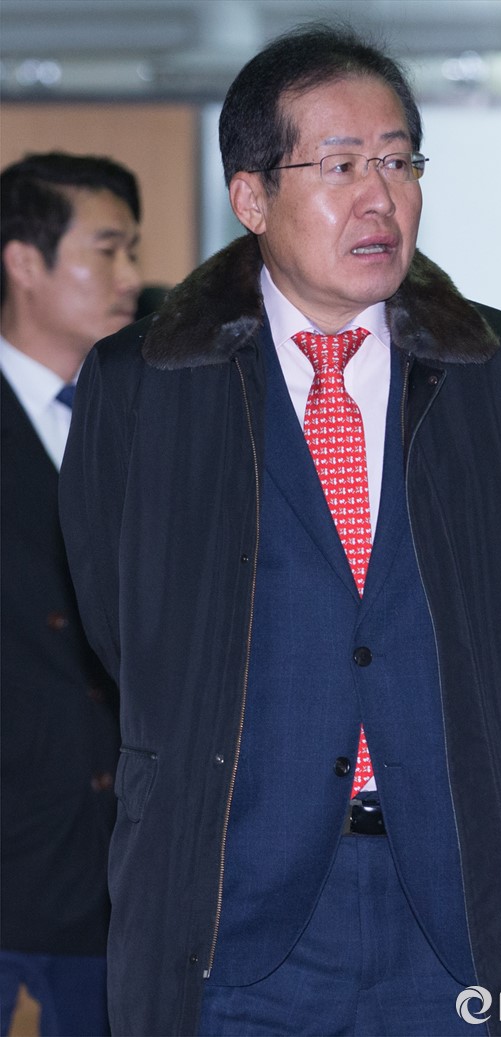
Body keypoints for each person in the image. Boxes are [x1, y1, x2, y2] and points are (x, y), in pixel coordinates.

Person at [60, 26, 501, 1037]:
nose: (379, 197)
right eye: (341, 166)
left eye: (399, 162)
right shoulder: (147, 385)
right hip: (234, 901)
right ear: (251, 197)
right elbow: (122, 625)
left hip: (464, 897)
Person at [0, 151, 141, 1036]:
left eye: (134, 251)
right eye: (108, 249)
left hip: (121, 868)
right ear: (24, 260)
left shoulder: (144, 416)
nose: (131, 276)